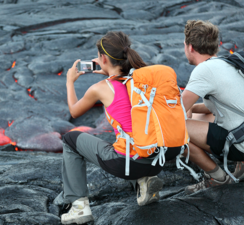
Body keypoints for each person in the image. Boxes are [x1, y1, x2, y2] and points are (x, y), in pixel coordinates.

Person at [60, 31, 185, 224]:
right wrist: (108, 70)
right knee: (135, 135)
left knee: (70, 139)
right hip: (157, 160)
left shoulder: (101, 88)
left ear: (102, 58)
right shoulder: (142, 81)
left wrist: (70, 82)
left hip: (128, 164)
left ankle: (78, 207)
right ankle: (144, 182)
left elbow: (74, 112)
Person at [181, 20, 244, 194]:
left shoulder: (204, 71)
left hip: (240, 144)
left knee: (172, 130)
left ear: (190, 47)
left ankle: (217, 177)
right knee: (198, 117)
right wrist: (192, 109)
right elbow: (217, 107)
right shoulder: (224, 63)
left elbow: (176, 111)